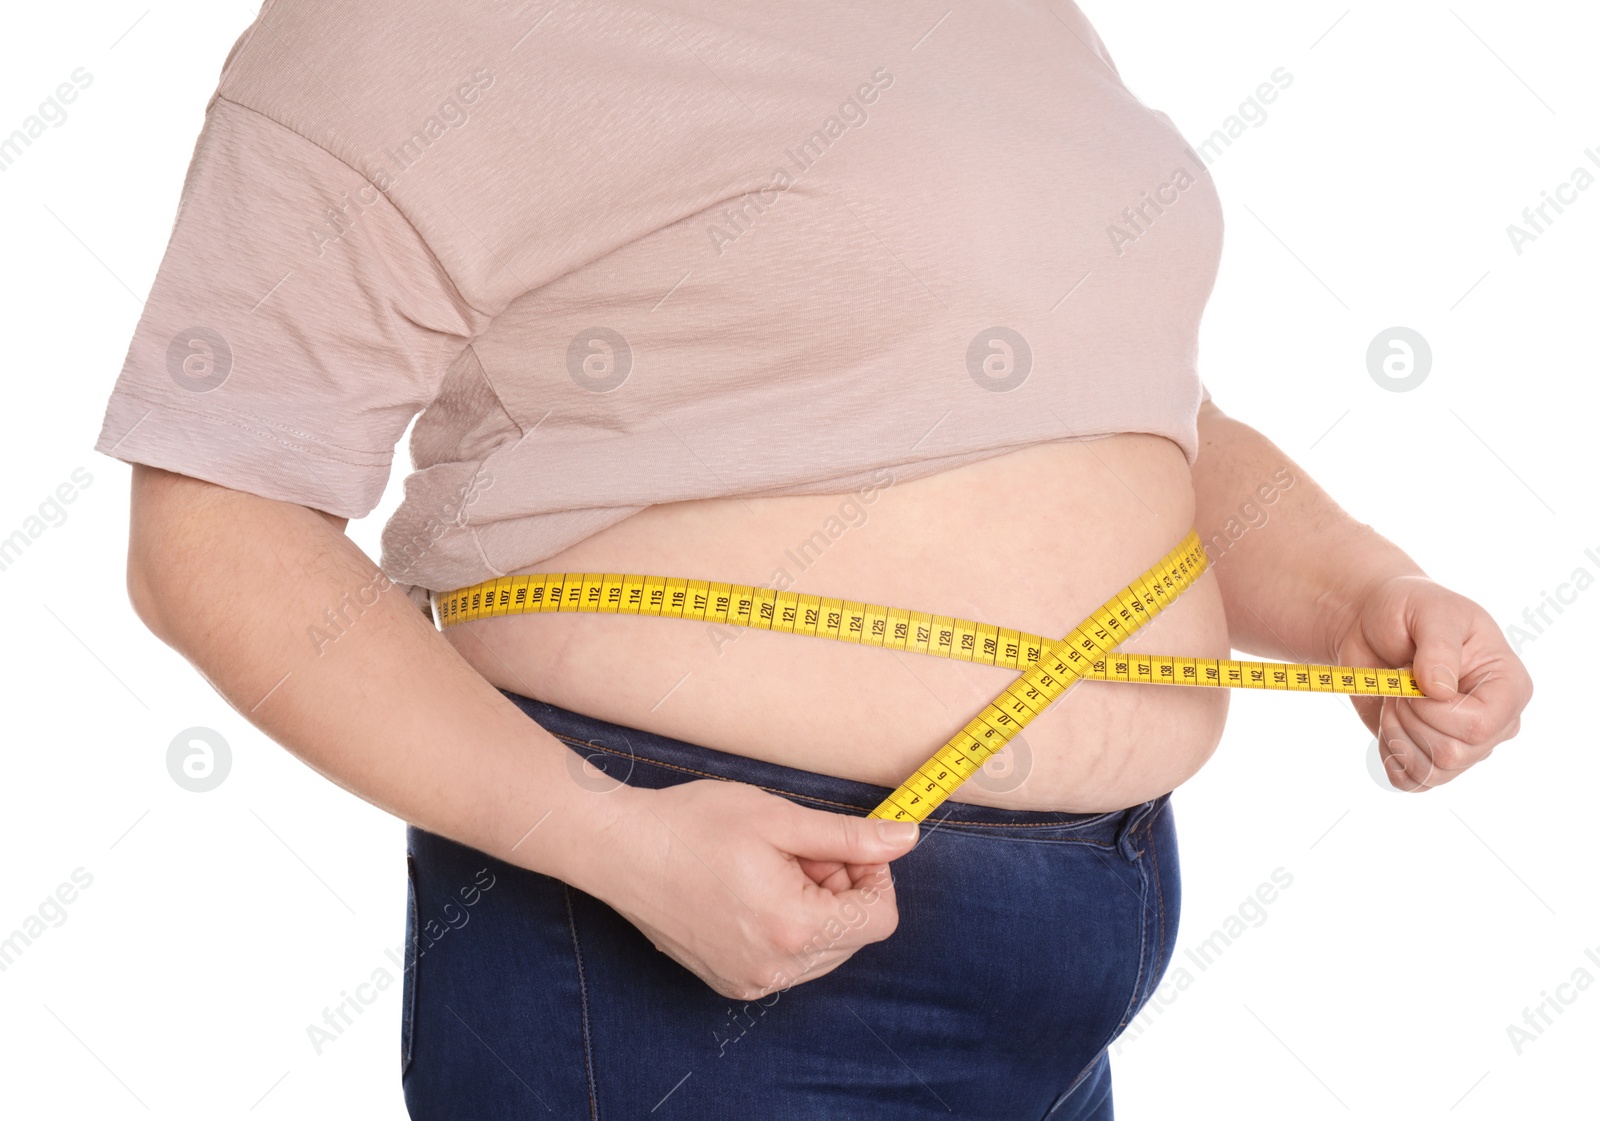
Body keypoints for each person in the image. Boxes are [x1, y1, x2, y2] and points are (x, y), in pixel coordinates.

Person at [93, 2, 1532, 1117]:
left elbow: (1137, 410)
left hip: (1079, 955)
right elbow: (217, 521)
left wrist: (1356, 588)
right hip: (682, 943)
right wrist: (614, 843)